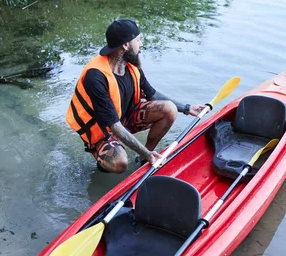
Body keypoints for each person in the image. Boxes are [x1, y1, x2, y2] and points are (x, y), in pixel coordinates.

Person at [66, 19, 205, 173]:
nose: (141, 44)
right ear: (125, 45)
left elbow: (152, 94)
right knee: (120, 163)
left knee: (169, 109)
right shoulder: (96, 77)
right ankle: (105, 163)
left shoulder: (131, 64)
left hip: (125, 119)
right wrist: (145, 151)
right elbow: (115, 126)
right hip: (103, 130)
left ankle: (144, 161)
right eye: (138, 40)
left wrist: (187, 108)